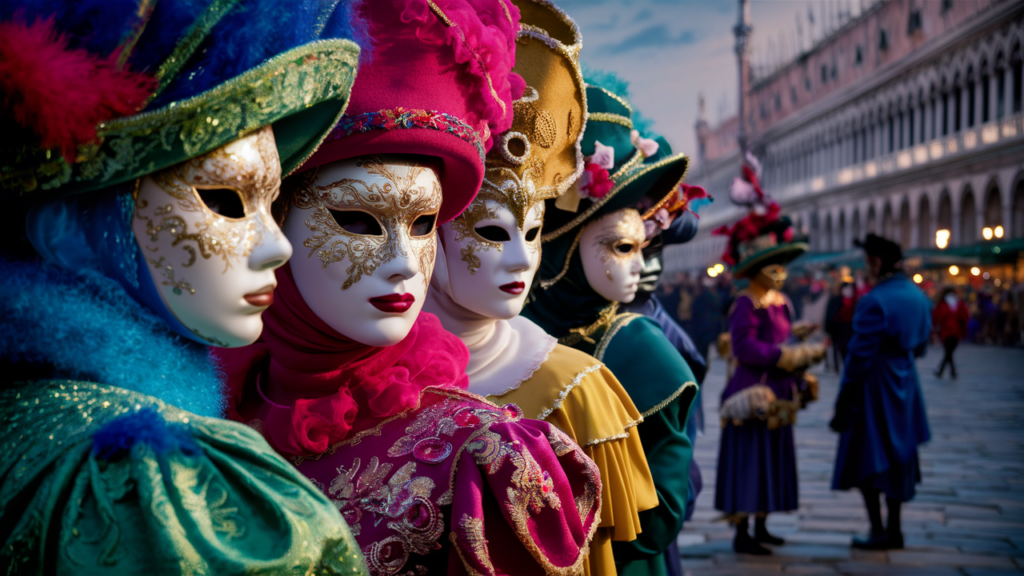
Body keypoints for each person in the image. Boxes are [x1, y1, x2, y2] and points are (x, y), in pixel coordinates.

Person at [215, 3, 604, 573]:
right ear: (274, 223)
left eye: (424, 225)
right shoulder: (213, 407)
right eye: (358, 220)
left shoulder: (483, 459)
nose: (403, 262)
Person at [0, 1, 368, 573]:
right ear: (70, 231)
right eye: (226, 200)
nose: (279, 245)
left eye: (272, 203)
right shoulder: (163, 490)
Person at [422, 4, 657, 574]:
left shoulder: (575, 392)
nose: (521, 257)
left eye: (532, 233)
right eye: (492, 232)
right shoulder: (358, 379)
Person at [524, 77, 700, 576]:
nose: (639, 267)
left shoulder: (642, 350)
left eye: (640, 247)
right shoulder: (508, 332)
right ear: (561, 249)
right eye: (621, 247)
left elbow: (662, 512)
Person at [711, 153, 826, 556]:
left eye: (781, 263)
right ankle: (743, 531)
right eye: (771, 263)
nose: (778, 270)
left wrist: (796, 334)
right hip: (753, 389)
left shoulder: (779, 301)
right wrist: (790, 357)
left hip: (780, 390)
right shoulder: (745, 301)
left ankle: (763, 524)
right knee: (751, 459)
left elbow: (775, 335)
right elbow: (744, 346)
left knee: (773, 457)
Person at [830, 233, 932, 550]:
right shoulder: (917, 296)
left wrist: (844, 401)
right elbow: (923, 346)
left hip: (875, 387)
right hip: (906, 381)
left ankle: (878, 529)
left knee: (867, 457)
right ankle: (895, 528)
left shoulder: (874, 301)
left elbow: (858, 358)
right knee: (900, 457)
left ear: (875, 262)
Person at [933, 287, 968, 378]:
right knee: (949, 352)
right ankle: (950, 372)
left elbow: (964, 317)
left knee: (949, 352)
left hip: (955, 332)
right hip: (946, 332)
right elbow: (937, 316)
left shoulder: (959, 304)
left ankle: (945, 371)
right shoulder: (943, 304)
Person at [825, 282, 858, 372]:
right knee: (839, 348)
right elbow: (829, 315)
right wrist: (828, 329)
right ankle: (837, 366)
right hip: (839, 328)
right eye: (846, 289)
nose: (848, 291)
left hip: (851, 328)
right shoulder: (836, 300)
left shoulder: (856, 301)